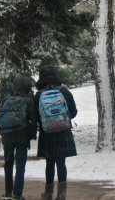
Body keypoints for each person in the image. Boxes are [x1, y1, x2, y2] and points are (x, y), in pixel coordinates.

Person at [34, 66, 77, 199]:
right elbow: (74, 112)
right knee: (61, 162)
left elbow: (35, 116)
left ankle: (48, 193)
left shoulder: (39, 95)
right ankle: (62, 193)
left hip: (47, 133)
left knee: (50, 163)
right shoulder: (65, 92)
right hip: (63, 131)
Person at [0, 74, 37, 200]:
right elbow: (33, 120)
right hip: (22, 136)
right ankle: (17, 194)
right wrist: (31, 135)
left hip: (7, 136)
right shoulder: (29, 100)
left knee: (8, 163)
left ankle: (8, 192)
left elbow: (1, 116)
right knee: (20, 165)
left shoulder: (6, 99)